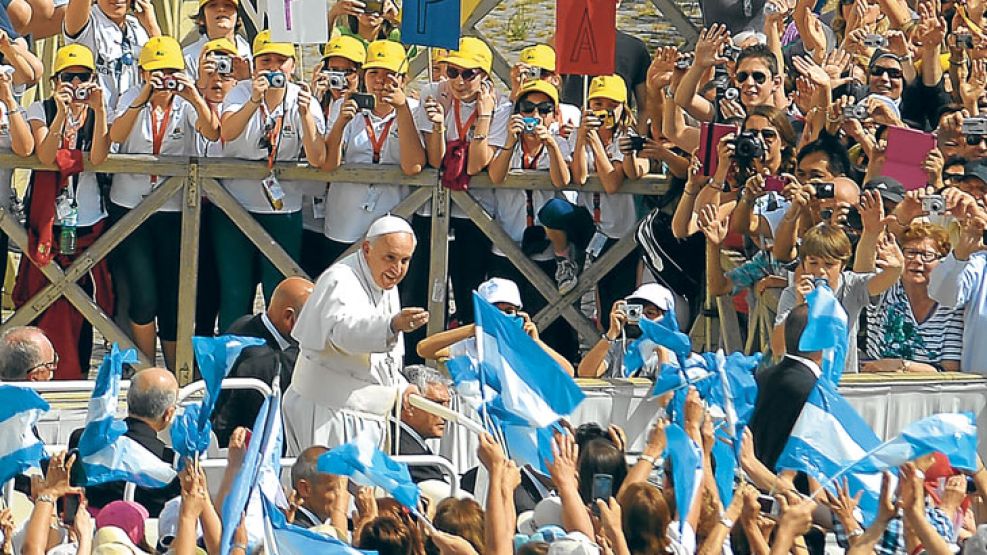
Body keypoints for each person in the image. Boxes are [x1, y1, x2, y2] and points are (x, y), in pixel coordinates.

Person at [108, 35, 220, 369]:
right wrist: (142, 98)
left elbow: (212, 133)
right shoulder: (130, 96)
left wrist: (195, 96)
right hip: (130, 209)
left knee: (173, 301)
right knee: (143, 298)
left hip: (174, 213)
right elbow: (115, 136)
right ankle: (146, 368)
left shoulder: (186, 103)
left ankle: (174, 374)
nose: (162, 79)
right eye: (155, 72)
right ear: (142, 72)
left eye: (169, 71)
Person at [283, 215, 427, 454]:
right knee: (324, 489)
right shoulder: (340, 279)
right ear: (367, 248)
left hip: (365, 419)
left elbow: (383, 361)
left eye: (405, 260)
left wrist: (402, 387)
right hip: (329, 414)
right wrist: (391, 325)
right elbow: (343, 334)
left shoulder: (384, 281)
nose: (398, 269)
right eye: (390, 257)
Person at [217, 30, 325, 330]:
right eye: (266, 60)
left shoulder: (303, 97)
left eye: (281, 61)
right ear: (254, 64)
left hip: (283, 208)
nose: (274, 68)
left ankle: (278, 364)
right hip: (233, 206)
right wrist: (254, 100)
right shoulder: (239, 92)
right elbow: (227, 132)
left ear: (292, 65)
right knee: (236, 292)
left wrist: (305, 116)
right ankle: (231, 365)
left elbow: (318, 159)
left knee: (280, 292)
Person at [15, 43, 111, 380]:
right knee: (41, 298)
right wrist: (59, 115)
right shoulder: (40, 109)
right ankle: (36, 371)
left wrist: (97, 112)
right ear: (55, 81)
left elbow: (98, 158)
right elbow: (44, 155)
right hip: (48, 223)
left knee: (81, 304)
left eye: (82, 77)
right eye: (67, 77)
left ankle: (76, 372)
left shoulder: (99, 110)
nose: (75, 83)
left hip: (87, 221)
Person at [406, 36, 509, 333]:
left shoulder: (501, 105)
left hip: (477, 209)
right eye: (452, 72)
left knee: (469, 289)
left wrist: (485, 115)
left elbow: (477, 165)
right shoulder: (432, 92)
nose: (459, 81)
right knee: (422, 288)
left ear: (485, 76)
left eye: (468, 74)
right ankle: (416, 355)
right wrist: (438, 126)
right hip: (431, 205)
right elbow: (436, 160)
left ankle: (468, 352)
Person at [323, 39, 425, 263]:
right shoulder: (344, 105)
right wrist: (341, 122)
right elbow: (329, 165)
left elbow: (413, 166)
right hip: (345, 221)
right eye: (373, 73)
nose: (380, 81)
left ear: (403, 79)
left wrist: (402, 110)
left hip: (394, 222)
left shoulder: (415, 110)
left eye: (389, 74)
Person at [570, 74, 648, 312]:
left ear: (623, 108)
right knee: (584, 290)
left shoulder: (626, 137)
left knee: (617, 295)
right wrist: (583, 137)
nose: (605, 111)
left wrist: (594, 143)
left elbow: (613, 183)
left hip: (620, 229)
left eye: (612, 105)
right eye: (598, 105)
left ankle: (616, 339)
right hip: (590, 224)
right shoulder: (579, 133)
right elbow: (580, 177)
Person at [211, 276, 313, 445]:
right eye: (314, 319)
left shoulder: (243, 323)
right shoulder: (262, 361)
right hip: (244, 449)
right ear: (289, 317)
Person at [68, 367, 181, 516]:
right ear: (168, 413)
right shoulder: (169, 461)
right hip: (143, 535)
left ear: (128, 400)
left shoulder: (81, 439)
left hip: (87, 531)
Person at [301, 35, 365, 278]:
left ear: (360, 73)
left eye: (347, 71)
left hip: (347, 213)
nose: (339, 79)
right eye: (332, 70)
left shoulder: (365, 107)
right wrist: (314, 100)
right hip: (309, 210)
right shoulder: (312, 100)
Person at [416, 277, 574, 375]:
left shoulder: (524, 349)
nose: (501, 317)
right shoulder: (470, 347)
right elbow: (424, 349)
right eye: (494, 311)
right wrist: (474, 328)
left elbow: (567, 371)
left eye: (508, 311)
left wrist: (535, 343)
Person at [864, 222, 963, 372]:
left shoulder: (950, 305)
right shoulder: (885, 287)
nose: (917, 260)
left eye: (927, 255)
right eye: (910, 252)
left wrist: (902, 365)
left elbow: (950, 372)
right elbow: (862, 276)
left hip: (929, 392)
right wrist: (871, 230)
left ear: (942, 262)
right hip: (877, 389)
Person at [62, 0, 160, 108]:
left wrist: (152, 29)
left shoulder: (140, 26)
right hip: (96, 119)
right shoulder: (87, 22)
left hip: (133, 117)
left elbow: (163, 67)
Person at [577, 283, 677, 378]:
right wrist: (612, 333)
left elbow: (669, 388)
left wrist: (661, 351)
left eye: (650, 313)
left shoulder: (672, 352)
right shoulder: (618, 347)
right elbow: (585, 373)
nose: (643, 318)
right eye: (637, 312)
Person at [396, 365, 452, 484]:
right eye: (438, 404)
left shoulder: (410, 446)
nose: (446, 415)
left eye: (448, 406)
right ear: (410, 405)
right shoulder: (407, 453)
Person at [182, 0, 251, 80]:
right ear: (201, 18)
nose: (221, 9)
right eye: (213, 5)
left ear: (238, 17)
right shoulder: (188, 57)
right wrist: (202, 82)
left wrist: (246, 80)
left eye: (228, 5)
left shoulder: (252, 52)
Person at [289, 446, 347, 533]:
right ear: (304, 489)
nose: (342, 497)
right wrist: (339, 513)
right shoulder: (299, 532)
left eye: (343, 488)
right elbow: (333, 547)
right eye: (333, 489)